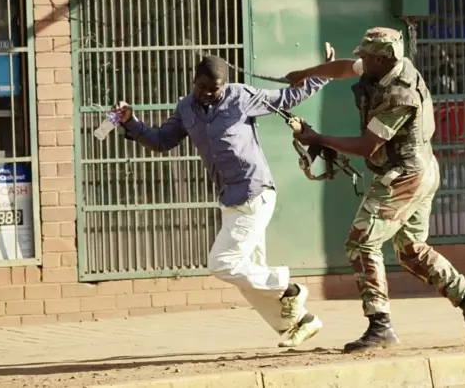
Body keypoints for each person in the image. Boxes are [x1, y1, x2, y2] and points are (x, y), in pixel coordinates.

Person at [285, 27, 465, 353]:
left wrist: (317, 138)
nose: (360, 60)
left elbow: (369, 146)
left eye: (366, 56)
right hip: (420, 170)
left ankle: (380, 326)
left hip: (405, 176)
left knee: (361, 243)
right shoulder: (385, 66)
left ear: (383, 59)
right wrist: (305, 74)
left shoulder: (400, 95)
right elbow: (343, 68)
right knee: (410, 249)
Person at [113, 48, 335, 348]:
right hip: (229, 198)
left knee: (222, 263)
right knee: (246, 274)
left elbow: (287, 99)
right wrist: (130, 122)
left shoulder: (241, 96)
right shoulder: (186, 108)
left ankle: (290, 289)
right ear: (194, 82)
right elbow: (162, 141)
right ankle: (299, 322)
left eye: (214, 89)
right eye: (201, 87)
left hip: (254, 192)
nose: (206, 93)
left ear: (225, 85)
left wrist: (325, 73)